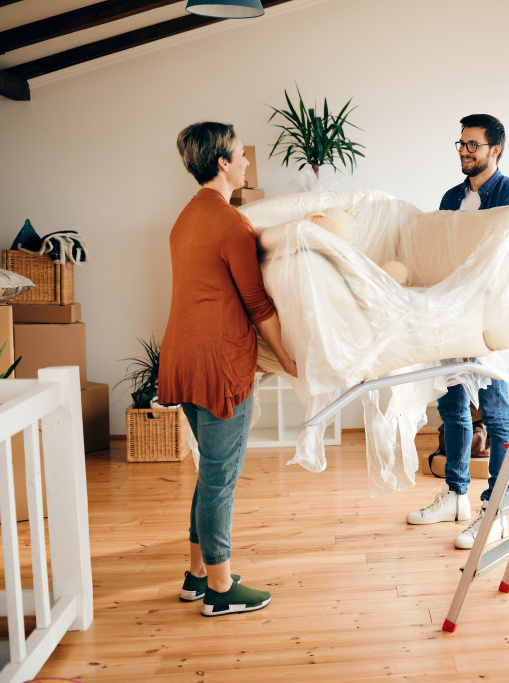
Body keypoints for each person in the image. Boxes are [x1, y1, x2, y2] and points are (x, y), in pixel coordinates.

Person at [159, 121, 298, 616]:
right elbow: (258, 304)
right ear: (222, 161)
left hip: (184, 357)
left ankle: (197, 575)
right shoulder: (229, 222)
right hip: (219, 364)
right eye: (240, 155)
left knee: (209, 473)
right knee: (220, 477)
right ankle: (220, 589)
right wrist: (289, 360)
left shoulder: (186, 218)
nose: (245, 163)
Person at [406, 114, 509, 549]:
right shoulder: (450, 197)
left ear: (495, 149)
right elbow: (439, 253)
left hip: (489, 323)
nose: (464, 150)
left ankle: (494, 508)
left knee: (495, 413)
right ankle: (456, 495)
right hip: (451, 316)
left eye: (473, 145)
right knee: (454, 407)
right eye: (460, 143)